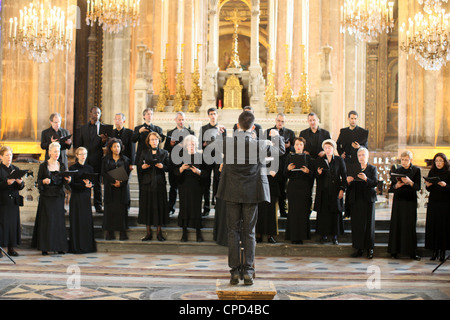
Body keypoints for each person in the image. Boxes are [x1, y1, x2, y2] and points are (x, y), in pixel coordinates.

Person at [215, 111, 285, 285]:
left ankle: (233, 272)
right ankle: (248, 271)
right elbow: (280, 150)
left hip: (231, 191)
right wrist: (276, 136)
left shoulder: (228, 143)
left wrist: (219, 133)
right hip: (251, 193)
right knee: (249, 232)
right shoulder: (260, 144)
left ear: (238, 126)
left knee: (233, 231)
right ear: (253, 127)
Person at [32, 142, 71, 255]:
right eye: (54, 151)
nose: (56, 154)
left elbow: (65, 182)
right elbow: (38, 182)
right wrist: (43, 181)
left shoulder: (62, 165)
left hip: (58, 196)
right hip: (47, 197)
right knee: (47, 222)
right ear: (49, 152)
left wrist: (69, 180)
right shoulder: (43, 166)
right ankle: (45, 247)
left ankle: (59, 247)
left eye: (58, 152)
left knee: (58, 222)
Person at [388, 150, 421, 260]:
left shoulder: (416, 170)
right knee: (397, 225)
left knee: (409, 226)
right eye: (402, 159)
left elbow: (417, 187)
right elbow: (391, 188)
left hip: (410, 201)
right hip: (398, 201)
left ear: (411, 160)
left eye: (406, 160)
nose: (404, 161)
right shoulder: (397, 170)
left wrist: (410, 182)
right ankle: (394, 252)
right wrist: (397, 185)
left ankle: (411, 252)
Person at [138, 132, 170, 242]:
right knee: (148, 207)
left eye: (156, 139)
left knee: (159, 207)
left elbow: (168, 167)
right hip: (147, 183)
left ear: (159, 141)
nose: (154, 141)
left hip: (159, 183)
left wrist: (163, 166)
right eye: (152, 139)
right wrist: (142, 166)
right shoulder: (144, 152)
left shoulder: (164, 152)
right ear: (148, 141)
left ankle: (159, 233)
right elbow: (139, 167)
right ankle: (148, 233)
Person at [314, 139, 347, 245]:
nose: (328, 150)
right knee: (323, 214)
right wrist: (318, 173)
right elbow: (315, 176)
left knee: (335, 214)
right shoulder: (319, 160)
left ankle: (335, 236)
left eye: (329, 148)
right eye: (326, 148)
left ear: (333, 149)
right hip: (323, 191)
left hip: (335, 191)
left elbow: (344, 176)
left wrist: (342, 189)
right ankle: (323, 235)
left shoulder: (339, 160)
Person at [346, 147, 378, 259]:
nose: (361, 157)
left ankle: (370, 249)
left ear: (367, 156)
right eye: (359, 155)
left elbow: (375, 183)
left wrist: (366, 179)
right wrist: (348, 181)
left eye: (363, 155)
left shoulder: (372, 168)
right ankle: (358, 248)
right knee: (357, 224)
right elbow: (348, 184)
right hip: (356, 198)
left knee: (369, 225)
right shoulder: (353, 168)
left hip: (368, 199)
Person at [174, 135, 207, 242]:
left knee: (196, 208)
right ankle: (184, 232)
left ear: (196, 145)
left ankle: (198, 232)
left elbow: (206, 173)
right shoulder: (181, 156)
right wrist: (182, 168)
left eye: (193, 144)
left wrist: (198, 171)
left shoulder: (201, 157)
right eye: (189, 144)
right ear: (186, 145)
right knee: (184, 207)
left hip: (197, 185)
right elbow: (174, 172)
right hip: (184, 185)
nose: (191, 146)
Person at [264, 113, 296, 217]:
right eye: (279, 121)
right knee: (270, 188)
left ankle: (283, 210)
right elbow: (264, 147)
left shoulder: (290, 133)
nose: (280, 123)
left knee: (283, 188)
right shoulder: (268, 132)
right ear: (275, 120)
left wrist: (288, 147)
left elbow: (294, 149)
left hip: (284, 163)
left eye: (282, 121)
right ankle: (269, 212)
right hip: (271, 164)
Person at [78, 106, 109, 213]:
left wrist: (104, 141)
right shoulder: (82, 129)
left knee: (97, 184)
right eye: (95, 113)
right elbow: (79, 145)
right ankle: (84, 205)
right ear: (90, 113)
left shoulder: (104, 128)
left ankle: (98, 206)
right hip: (84, 160)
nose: (97, 115)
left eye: (99, 113)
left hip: (97, 159)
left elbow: (105, 145)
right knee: (84, 182)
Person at [163, 112, 195, 215]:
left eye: (183, 119)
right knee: (173, 187)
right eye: (179, 119)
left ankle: (185, 209)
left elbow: (194, 148)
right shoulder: (170, 133)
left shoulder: (190, 132)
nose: (181, 121)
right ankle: (171, 208)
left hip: (186, 163)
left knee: (185, 187)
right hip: (173, 164)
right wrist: (171, 144)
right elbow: (165, 150)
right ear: (176, 120)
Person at [101, 138, 132, 241]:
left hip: (122, 189)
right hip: (110, 188)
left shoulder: (125, 159)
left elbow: (127, 174)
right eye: (114, 146)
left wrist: (121, 182)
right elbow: (104, 173)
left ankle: (122, 232)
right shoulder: (106, 159)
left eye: (118, 146)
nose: (116, 148)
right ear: (110, 148)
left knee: (121, 210)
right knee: (110, 210)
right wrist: (113, 182)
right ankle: (109, 232)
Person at [284, 137, 314, 244]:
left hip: (304, 187)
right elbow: (285, 174)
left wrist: (308, 172)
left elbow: (312, 175)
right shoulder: (289, 157)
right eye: (297, 144)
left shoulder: (308, 158)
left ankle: (301, 236)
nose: (298, 147)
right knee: (293, 212)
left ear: (303, 146)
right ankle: (293, 236)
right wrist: (288, 169)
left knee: (303, 212)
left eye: (301, 145)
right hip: (292, 187)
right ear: (294, 146)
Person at [68, 147, 97, 254]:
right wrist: (83, 185)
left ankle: (87, 246)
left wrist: (90, 185)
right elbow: (72, 185)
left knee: (86, 222)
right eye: (80, 154)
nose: (83, 156)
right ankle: (76, 247)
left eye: (85, 154)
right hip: (76, 197)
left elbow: (93, 182)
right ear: (76, 155)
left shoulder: (89, 168)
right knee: (76, 221)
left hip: (86, 198)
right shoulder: (72, 168)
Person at [200, 107, 227, 216]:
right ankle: (206, 207)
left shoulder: (222, 129)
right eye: (210, 114)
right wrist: (205, 143)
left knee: (217, 181)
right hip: (206, 158)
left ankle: (217, 205)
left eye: (214, 114)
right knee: (206, 182)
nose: (212, 116)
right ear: (208, 116)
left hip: (218, 157)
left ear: (217, 115)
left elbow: (225, 144)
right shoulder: (203, 128)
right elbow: (199, 144)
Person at [424, 153, 450, 262]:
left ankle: (443, 252)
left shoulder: (449, 172)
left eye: (440, 161)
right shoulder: (432, 172)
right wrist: (428, 185)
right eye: (436, 161)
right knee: (433, 227)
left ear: (445, 162)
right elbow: (429, 189)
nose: (438, 163)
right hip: (434, 203)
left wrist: (446, 185)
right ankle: (434, 252)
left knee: (442, 228)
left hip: (445, 204)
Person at [0, 146, 25, 258]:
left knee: (13, 225)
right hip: (3, 201)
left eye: (10, 155)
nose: (9, 157)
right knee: (2, 225)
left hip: (13, 202)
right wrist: (6, 183)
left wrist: (20, 183)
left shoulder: (15, 168)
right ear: (1, 157)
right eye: (7, 155)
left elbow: (21, 187)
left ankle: (11, 248)